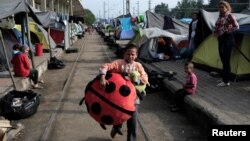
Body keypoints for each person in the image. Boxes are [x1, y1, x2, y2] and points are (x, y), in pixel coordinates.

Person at [99, 43, 148, 141]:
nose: (130, 56)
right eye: (128, 54)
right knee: (119, 116)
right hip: (119, 99)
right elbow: (106, 67)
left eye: (133, 54)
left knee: (132, 121)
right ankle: (116, 127)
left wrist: (136, 80)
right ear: (124, 54)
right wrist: (102, 77)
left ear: (136, 55)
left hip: (133, 99)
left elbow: (145, 78)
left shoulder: (138, 66)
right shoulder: (119, 63)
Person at [214, 1, 239, 87]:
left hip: (228, 39)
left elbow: (236, 26)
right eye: (220, 7)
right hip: (221, 39)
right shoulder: (220, 16)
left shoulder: (229, 15)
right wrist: (216, 33)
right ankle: (224, 77)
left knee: (226, 60)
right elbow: (218, 27)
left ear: (227, 8)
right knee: (223, 59)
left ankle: (226, 81)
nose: (221, 9)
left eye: (223, 7)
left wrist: (228, 31)